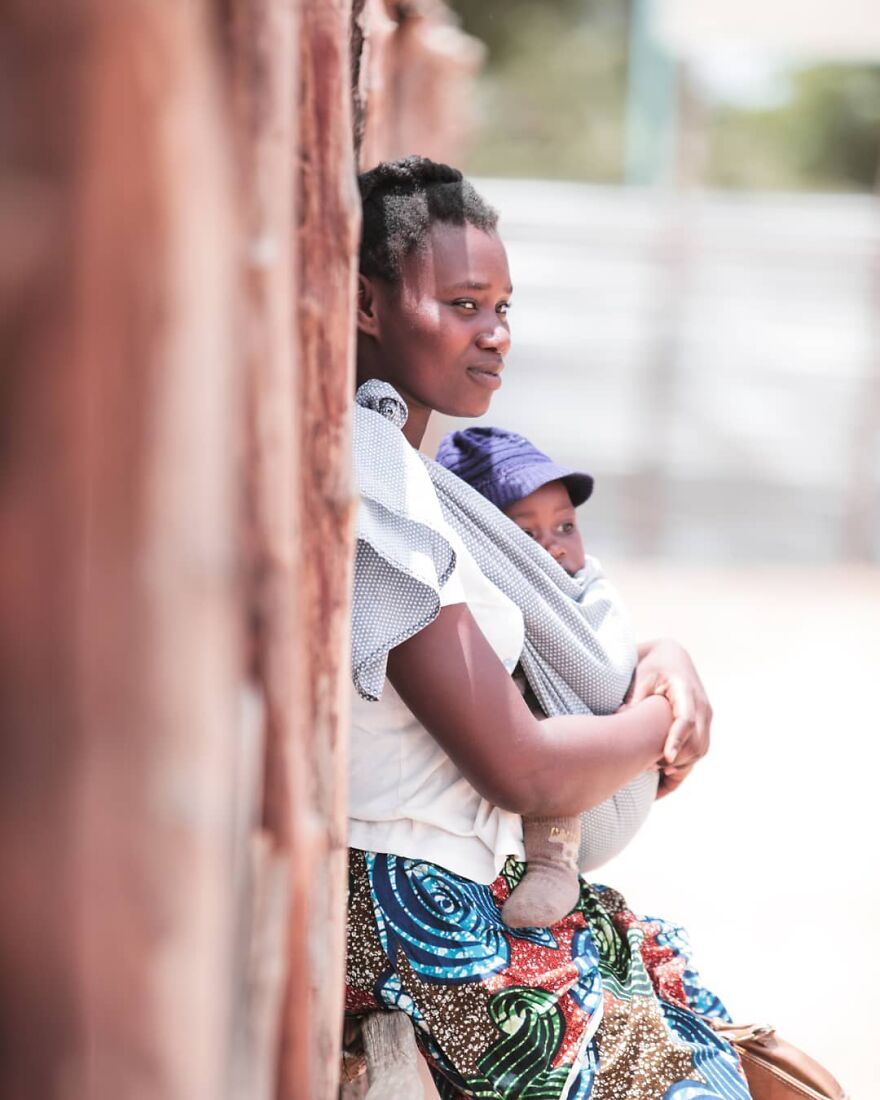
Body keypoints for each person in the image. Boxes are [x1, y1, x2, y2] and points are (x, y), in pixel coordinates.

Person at [347, 156, 746, 1100]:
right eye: (463, 304)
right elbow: (519, 766)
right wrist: (664, 718)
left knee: (693, 1014)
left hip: (460, 882)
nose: (495, 336)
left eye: (504, 308)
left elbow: (543, 641)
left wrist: (663, 660)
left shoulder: (417, 476)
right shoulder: (374, 486)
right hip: (415, 907)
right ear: (368, 306)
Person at [435, 425, 660, 930]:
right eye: (526, 534)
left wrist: (663, 659)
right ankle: (551, 863)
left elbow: (610, 658)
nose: (555, 548)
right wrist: (658, 723)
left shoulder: (588, 587)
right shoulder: (486, 606)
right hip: (550, 779)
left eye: (565, 527)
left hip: (616, 765)